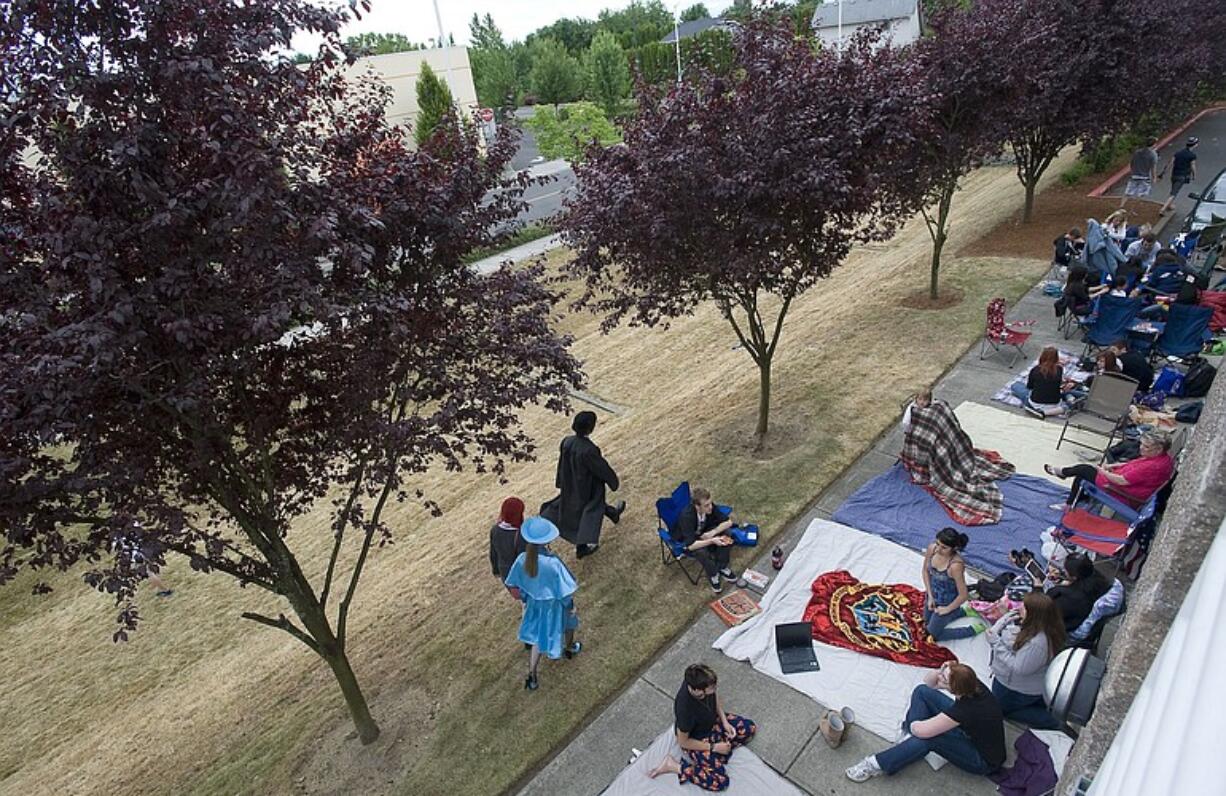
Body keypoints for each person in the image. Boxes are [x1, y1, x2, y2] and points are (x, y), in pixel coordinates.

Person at [846, 662, 1005, 782]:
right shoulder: (972, 684)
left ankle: (876, 765)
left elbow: (920, 731)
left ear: (955, 688)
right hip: (970, 731)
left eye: (944, 678)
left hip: (982, 760)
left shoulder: (964, 710)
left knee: (927, 739)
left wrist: (916, 727)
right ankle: (909, 743)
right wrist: (940, 671)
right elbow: (929, 684)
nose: (940, 678)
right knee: (922, 692)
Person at [648, 663, 757, 791]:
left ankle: (717, 755)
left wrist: (725, 722)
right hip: (697, 740)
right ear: (697, 690)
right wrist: (714, 747)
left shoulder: (701, 683)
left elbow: (714, 697)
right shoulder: (685, 709)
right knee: (719, 781)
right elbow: (683, 742)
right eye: (712, 688)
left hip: (712, 725)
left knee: (749, 728)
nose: (715, 689)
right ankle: (673, 766)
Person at [503, 516, 581, 690]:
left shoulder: (523, 559)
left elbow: (512, 583)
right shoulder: (553, 563)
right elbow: (564, 591)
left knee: (537, 638)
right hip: (555, 606)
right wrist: (571, 606)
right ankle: (570, 648)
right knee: (569, 624)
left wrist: (526, 596)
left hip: (534, 606)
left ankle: (532, 675)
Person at [540, 410, 626, 559]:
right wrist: (613, 481)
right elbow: (600, 467)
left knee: (591, 505)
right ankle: (582, 547)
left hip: (572, 482)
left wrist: (562, 481)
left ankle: (613, 514)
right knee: (587, 510)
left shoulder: (567, 441)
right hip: (586, 486)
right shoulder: (588, 450)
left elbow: (562, 464)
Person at [985, 591, 1065, 729]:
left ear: (1034, 614)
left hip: (1015, 688)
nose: (1019, 607)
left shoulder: (1038, 643)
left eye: (1024, 607)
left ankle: (1053, 721)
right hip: (1016, 683)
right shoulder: (1041, 627)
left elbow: (1019, 668)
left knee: (999, 710)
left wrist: (996, 643)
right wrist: (1005, 617)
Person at [1044, 430, 1174, 510]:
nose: (1140, 448)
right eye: (1141, 444)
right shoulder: (1161, 459)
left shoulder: (1152, 466)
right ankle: (1069, 498)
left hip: (1120, 491)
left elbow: (1122, 481)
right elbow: (1133, 465)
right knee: (1084, 474)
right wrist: (1113, 466)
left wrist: (1103, 471)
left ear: (1158, 449)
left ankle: (1063, 474)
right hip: (1125, 484)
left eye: (1146, 446)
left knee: (1084, 470)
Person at [922, 528, 986, 641]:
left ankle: (972, 630)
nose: (938, 549)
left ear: (953, 548)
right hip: (932, 594)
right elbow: (925, 571)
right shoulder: (932, 549)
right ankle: (963, 612)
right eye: (938, 544)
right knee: (925, 621)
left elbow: (963, 595)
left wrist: (947, 609)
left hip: (948, 601)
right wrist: (930, 597)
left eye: (944, 547)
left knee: (931, 635)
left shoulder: (955, 565)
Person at [674, 486, 737, 593]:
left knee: (727, 533)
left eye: (711, 503)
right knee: (701, 552)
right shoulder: (687, 517)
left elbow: (728, 522)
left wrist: (713, 533)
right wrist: (712, 540)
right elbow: (691, 545)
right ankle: (713, 574)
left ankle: (722, 566)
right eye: (706, 505)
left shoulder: (709, 507)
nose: (711, 507)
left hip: (705, 531)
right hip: (690, 539)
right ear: (697, 506)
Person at [1045, 553, 1110, 632]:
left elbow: (1045, 613)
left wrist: (1037, 588)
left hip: (1059, 628)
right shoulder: (1095, 578)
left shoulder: (1068, 599)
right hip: (1078, 616)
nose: (1063, 570)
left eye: (1065, 570)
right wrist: (1065, 578)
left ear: (1074, 577)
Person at [1010, 347, 1076, 419]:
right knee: (1067, 396)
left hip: (1036, 402)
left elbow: (1030, 387)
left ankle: (1034, 408)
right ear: (1056, 358)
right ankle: (1066, 403)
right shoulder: (1059, 369)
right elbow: (1059, 384)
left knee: (1015, 385)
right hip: (1055, 403)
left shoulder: (1035, 370)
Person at [489, 496, 527, 584]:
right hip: (521, 577)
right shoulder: (521, 535)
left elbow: (493, 552)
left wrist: (496, 571)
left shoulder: (495, 530)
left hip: (506, 575)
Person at [1159, 137, 1199, 215]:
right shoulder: (1192, 155)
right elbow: (1193, 166)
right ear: (1195, 145)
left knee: (1173, 189)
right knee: (1174, 193)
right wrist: (1194, 175)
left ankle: (1169, 205)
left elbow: (1170, 163)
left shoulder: (1178, 153)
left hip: (1174, 174)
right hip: (1182, 176)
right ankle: (1163, 209)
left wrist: (1163, 173)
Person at [1119, 137, 1158, 208]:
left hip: (1134, 175)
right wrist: (1154, 177)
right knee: (1140, 194)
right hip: (1145, 177)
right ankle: (1133, 209)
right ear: (1154, 144)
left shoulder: (1137, 152)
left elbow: (1131, 163)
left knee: (1128, 192)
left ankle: (1121, 206)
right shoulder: (1153, 154)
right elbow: (1153, 167)